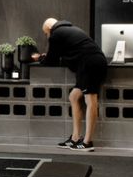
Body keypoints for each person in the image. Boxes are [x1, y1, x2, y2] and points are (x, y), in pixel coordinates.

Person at [32, 17, 108, 150]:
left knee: (90, 99)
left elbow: (52, 60)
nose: (47, 36)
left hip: (89, 63)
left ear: (49, 29)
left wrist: (41, 58)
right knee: (74, 96)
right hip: (89, 62)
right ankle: (75, 138)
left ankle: (87, 142)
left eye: (46, 33)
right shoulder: (70, 30)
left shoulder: (56, 34)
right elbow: (66, 54)